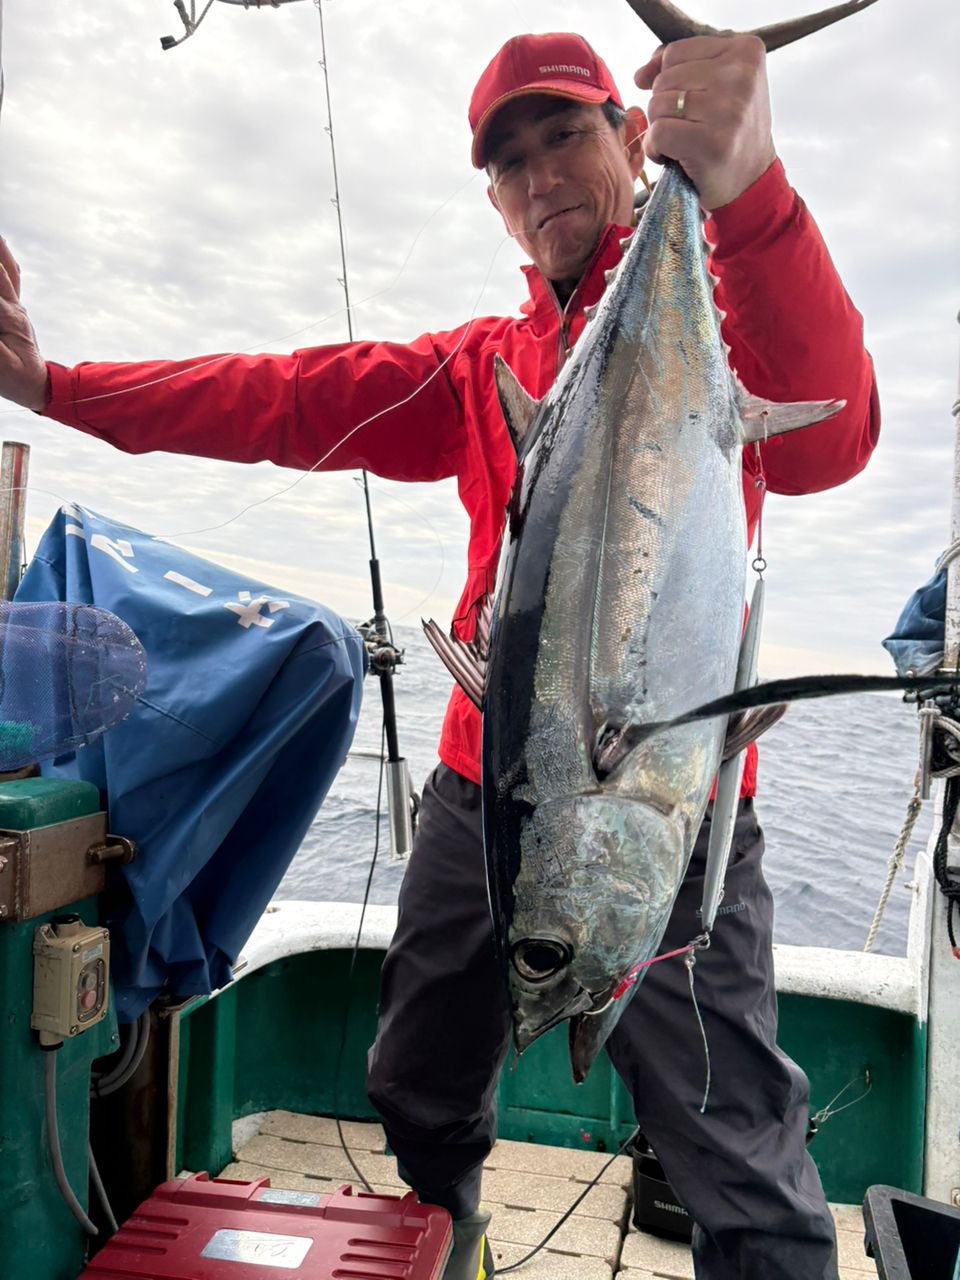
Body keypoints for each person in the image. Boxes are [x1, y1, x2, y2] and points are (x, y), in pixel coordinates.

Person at [0, 28, 877, 1280]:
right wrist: (60, 386)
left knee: (737, 1146)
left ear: (634, 137)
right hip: (485, 797)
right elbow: (280, 395)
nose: (540, 176)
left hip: (675, 810)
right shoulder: (480, 369)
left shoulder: (722, 321)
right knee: (417, 1078)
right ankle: (448, 1237)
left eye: (564, 133)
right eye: (508, 163)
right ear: (495, 201)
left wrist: (746, 189)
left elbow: (830, 441)